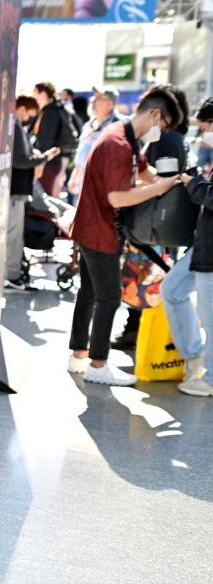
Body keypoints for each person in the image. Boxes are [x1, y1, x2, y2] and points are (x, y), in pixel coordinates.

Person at [67, 86, 182, 386]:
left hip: (91, 227)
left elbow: (146, 174)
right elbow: (117, 198)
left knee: (89, 293)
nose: (162, 132)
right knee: (109, 297)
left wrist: (172, 180)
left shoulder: (125, 137)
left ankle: (79, 355)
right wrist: (159, 189)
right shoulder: (117, 143)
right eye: (165, 126)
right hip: (99, 230)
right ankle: (98, 365)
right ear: (156, 114)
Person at [162, 97, 213, 396]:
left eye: (207, 126)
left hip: (210, 252)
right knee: (173, 290)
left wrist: (192, 184)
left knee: (210, 316)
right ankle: (194, 355)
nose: (204, 132)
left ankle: (209, 380)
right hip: (204, 245)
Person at [8, 95, 59, 290]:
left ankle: (12, 272)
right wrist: (43, 158)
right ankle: (12, 275)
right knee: (14, 234)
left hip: (15, 187)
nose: (31, 117)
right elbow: (20, 160)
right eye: (31, 112)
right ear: (23, 108)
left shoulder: (13, 126)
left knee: (13, 233)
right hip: (17, 188)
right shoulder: (15, 126)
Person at [68, 85, 125, 202]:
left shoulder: (120, 125)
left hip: (105, 188)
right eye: (94, 97)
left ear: (110, 104)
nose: (93, 101)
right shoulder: (88, 126)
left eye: (99, 98)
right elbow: (81, 154)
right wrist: (74, 175)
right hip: (84, 186)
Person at [33, 81, 78, 197]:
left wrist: (40, 161)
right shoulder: (52, 110)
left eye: (35, 92)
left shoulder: (50, 112)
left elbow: (46, 140)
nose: (33, 96)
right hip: (51, 161)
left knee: (45, 198)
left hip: (48, 162)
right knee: (49, 196)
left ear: (43, 93)